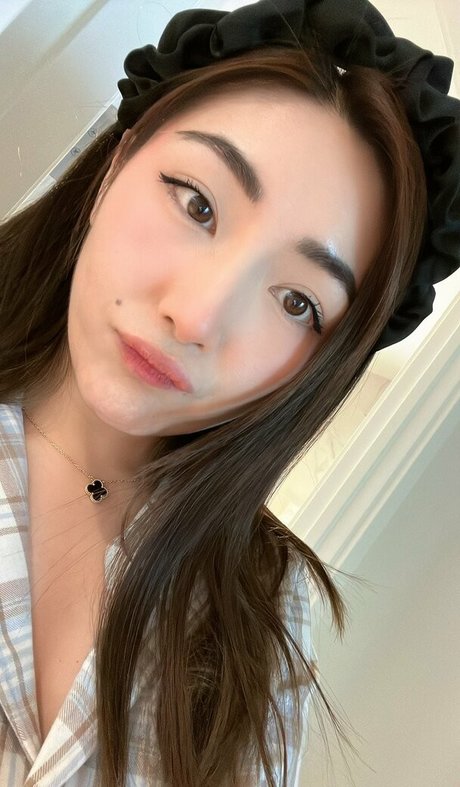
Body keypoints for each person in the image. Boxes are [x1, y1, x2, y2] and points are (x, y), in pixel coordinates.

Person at [0, 0, 458, 784]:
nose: (198, 316)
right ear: (117, 162)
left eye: (297, 301)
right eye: (198, 203)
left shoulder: (264, 609)